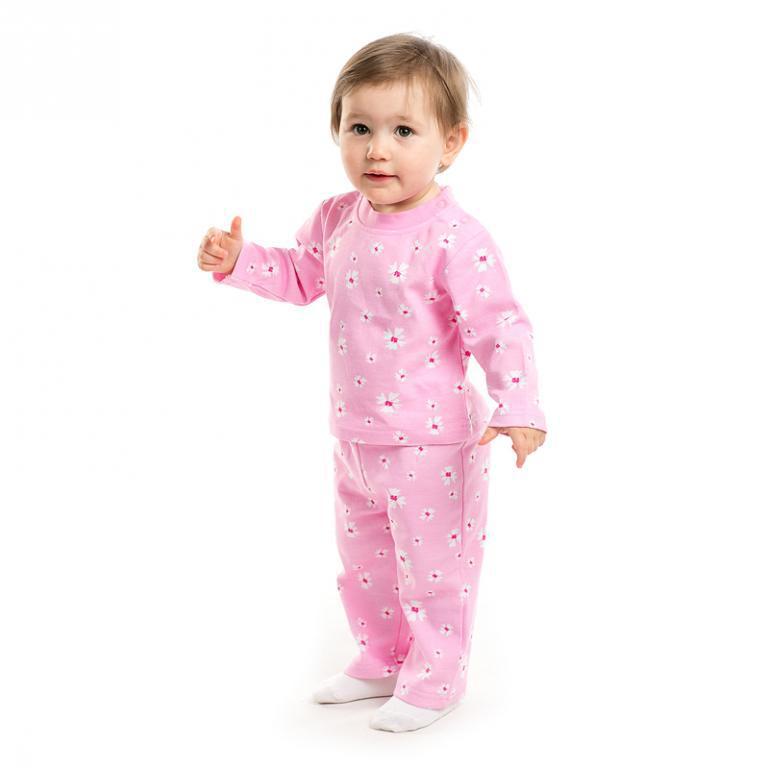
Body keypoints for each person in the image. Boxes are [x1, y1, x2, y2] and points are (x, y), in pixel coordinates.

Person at [197, 32, 547, 732]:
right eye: (359, 128)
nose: (377, 149)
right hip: (355, 436)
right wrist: (239, 260)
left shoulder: (456, 237)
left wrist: (519, 404)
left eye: (402, 131)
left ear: (451, 143)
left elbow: (500, 324)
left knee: (435, 567)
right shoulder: (337, 217)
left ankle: (436, 678)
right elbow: (303, 275)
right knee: (365, 561)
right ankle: (382, 656)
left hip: (431, 443)